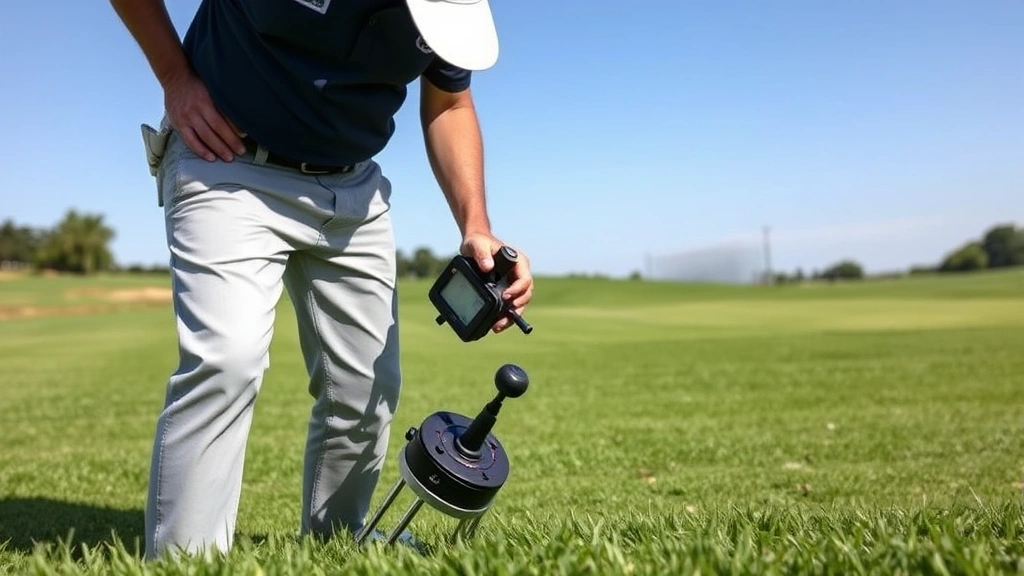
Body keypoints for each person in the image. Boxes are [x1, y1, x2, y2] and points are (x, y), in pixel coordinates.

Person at [110, 0, 534, 560]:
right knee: (226, 360)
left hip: (354, 190)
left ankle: (336, 545)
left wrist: (475, 225)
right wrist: (175, 78)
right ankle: (184, 562)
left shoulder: (446, 12)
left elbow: (450, 103)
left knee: (366, 387)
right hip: (227, 163)